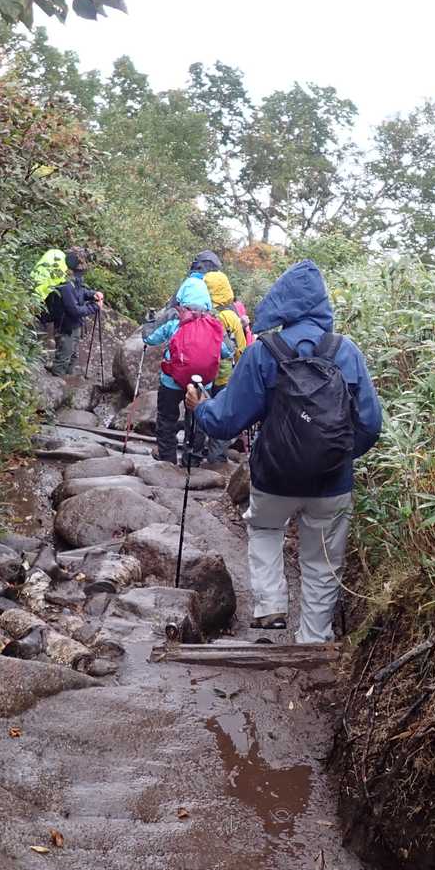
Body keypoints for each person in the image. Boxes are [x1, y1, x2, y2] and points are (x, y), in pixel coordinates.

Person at [185, 259, 382, 643]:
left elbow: (225, 421)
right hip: (331, 483)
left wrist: (200, 408)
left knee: (264, 527)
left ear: (282, 303)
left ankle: (271, 606)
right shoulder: (346, 352)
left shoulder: (264, 353)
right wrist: (338, 456)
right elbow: (371, 425)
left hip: (273, 476)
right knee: (322, 561)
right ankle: (314, 639)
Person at [143, 277, 230, 465]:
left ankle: (167, 461)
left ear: (182, 297)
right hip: (202, 382)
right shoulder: (214, 324)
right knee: (197, 420)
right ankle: (192, 460)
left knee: (167, 419)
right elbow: (227, 351)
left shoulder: (174, 320)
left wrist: (149, 322)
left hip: (171, 380)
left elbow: (150, 339)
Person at [199, 270, 248, 465]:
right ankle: (216, 458)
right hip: (224, 376)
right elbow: (241, 350)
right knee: (221, 415)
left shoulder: (198, 313)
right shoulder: (230, 317)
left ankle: (193, 453)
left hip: (201, 373)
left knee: (199, 409)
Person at [50, 249, 103, 376]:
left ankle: (67, 378)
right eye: (81, 266)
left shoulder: (74, 279)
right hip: (66, 327)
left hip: (74, 325)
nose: (83, 269)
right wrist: (94, 307)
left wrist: (92, 294)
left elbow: (80, 292)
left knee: (73, 356)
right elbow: (74, 310)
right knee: (63, 358)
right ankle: (58, 379)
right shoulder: (65, 284)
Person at [31, 247, 67, 344]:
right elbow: (62, 279)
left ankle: (38, 337)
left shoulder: (46, 260)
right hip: (51, 292)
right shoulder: (61, 263)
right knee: (51, 313)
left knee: (40, 316)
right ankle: (50, 337)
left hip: (38, 293)